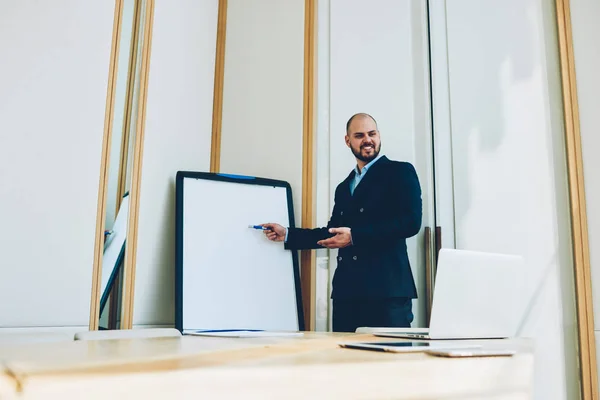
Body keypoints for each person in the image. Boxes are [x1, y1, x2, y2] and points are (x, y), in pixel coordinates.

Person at [261, 113, 422, 332]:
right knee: (344, 362)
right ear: (348, 140)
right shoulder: (343, 186)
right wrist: (288, 234)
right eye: (359, 135)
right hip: (348, 293)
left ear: (379, 136)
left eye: (372, 134)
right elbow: (332, 233)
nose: (367, 140)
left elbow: (411, 222)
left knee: (390, 363)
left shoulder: (400, 171)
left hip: (387, 292)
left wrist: (355, 236)